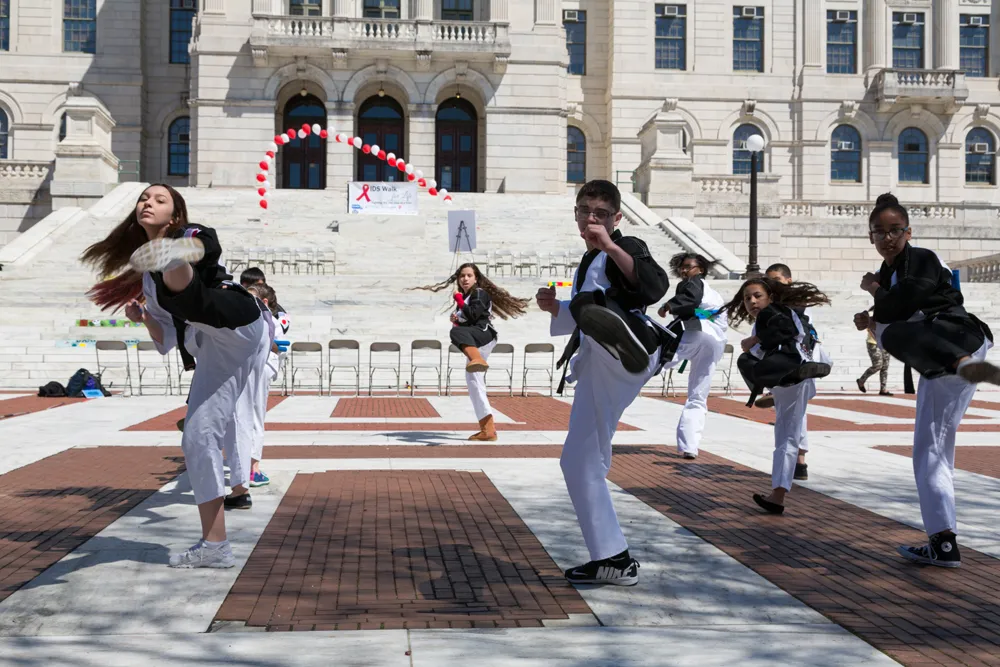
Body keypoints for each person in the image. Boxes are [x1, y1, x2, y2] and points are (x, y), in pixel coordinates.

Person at [82, 184, 271, 569]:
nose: (147, 203)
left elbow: (208, 244)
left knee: (193, 289)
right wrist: (144, 318)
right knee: (197, 438)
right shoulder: (147, 283)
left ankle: (175, 260)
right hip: (211, 346)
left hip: (236, 316)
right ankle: (215, 546)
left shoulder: (190, 233)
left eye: (159, 199)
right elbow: (167, 338)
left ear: (175, 214)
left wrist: (183, 247)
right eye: (143, 199)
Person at [854, 193, 1000, 568]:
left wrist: (873, 291)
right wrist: (870, 318)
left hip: (954, 342)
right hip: (946, 353)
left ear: (908, 232)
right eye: (879, 231)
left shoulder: (921, 258)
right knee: (937, 446)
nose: (887, 238)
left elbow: (903, 303)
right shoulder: (891, 272)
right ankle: (942, 540)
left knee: (930, 450)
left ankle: (943, 542)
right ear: (870, 236)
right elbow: (897, 308)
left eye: (895, 230)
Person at [536, 180, 669, 586]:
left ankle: (627, 342)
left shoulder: (627, 245)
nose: (591, 219)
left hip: (618, 359)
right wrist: (557, 308)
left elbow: (653, 285)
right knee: (579, 461)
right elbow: (581, 315)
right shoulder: (587, 260)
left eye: (601, 213)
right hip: (595, 361)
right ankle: (612, 558)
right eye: (584, 211)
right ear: (575, 214)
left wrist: (612, 246)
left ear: (616, 218)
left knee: (582, 459)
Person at [724, 277, 831, 514]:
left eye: (757, 296)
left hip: (792, 376)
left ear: (770, 297)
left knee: (786, 437)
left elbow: (783, 332)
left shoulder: (773, 314)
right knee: (788, 434)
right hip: (796, 376)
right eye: (747, 298)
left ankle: (778, 495)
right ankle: (778, 492)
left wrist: (755, 339)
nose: (752, 302)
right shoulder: (781, 314)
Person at [414, 263, 529, 441]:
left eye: (469, 275)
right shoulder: (468, 297)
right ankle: (487, 429)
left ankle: (476, 358)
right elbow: (467, 319)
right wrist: (457, 318)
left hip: (484, 334)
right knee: (474, 382)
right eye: (462, 276)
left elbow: (474, 315)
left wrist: (459, 302)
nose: (465, 279)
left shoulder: (479, 293)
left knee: (457, 335)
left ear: (476, 278)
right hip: (477, 337)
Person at [655, 253, 728, 460]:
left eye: (689, 266)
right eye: (682, 267)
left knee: (654, 361)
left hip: (697, 332)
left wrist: (669, 305)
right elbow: (713, 314)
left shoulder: (693, 283)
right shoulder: (713, 294)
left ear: (701, 270)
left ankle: (638, 372)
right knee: (698, 395)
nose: (684, 271)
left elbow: (691, 299)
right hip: (716, 341)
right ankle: (690, 446)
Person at [245, 282, 283, 489]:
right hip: (245, 367)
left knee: (255, 416)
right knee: (241, 417)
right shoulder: (245, 316)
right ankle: (244, 465)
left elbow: (277, 347)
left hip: (262, 367)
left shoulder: (271, 321)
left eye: (249, 297)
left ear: (264, 301)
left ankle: (254, 468)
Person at [856, 311, 892, 395]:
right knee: (878, 365)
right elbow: (869, 328)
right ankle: (861, 380)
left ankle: (883, 389)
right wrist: (877, 339)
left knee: (885, 367)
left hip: (885, 343)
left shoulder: (888, 314)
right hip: (873, 343)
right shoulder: (872, 313)